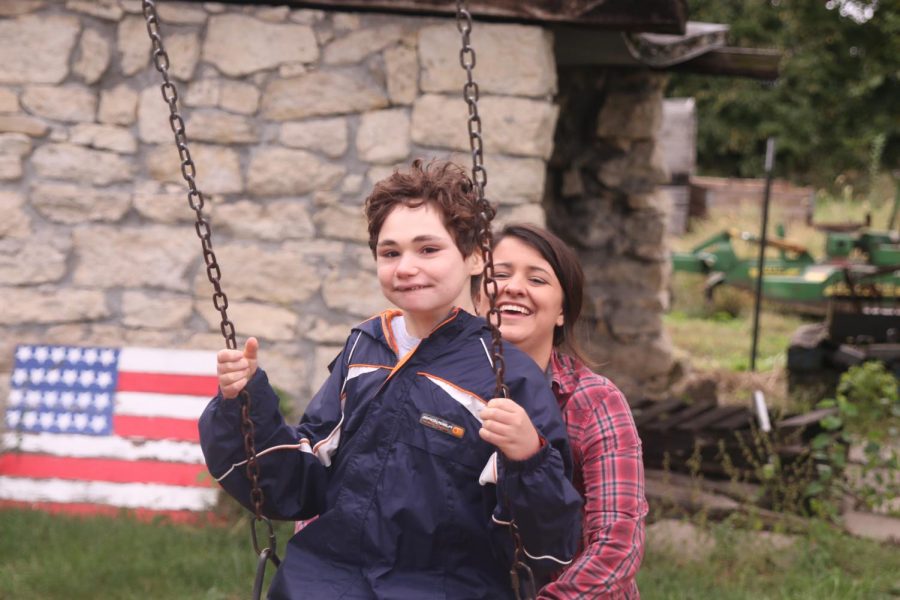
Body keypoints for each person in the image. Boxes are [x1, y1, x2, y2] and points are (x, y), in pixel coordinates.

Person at [199, 160, 583, 600]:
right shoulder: (365, 348)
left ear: (476, 255)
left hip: (442, 587)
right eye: (390, 252)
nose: (405, 267)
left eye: (428, 250)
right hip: (325, 581)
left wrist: (529, 458)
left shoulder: (505, 374)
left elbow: (544, 545)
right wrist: (244, 404)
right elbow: (297, 481)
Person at [479, 224, 648, 599]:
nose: (514, 287)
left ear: (561, 312)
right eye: (500, 274)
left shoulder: (594, 403)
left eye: (537, 279)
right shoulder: (447, 388)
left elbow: (617, 545)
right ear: (478, 300)